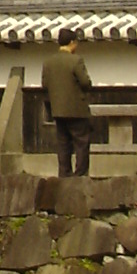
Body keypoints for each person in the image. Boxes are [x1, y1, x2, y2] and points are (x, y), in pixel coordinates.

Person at [41, 33, 94, 176]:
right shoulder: (76, 61)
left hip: (58, 109)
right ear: (72, 42)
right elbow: (85, 82)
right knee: (81, 143)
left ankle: (64, 175)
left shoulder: (48, 62)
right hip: (77, 109)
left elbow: (45, 85)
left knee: (63, 144)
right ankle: (80, 175)